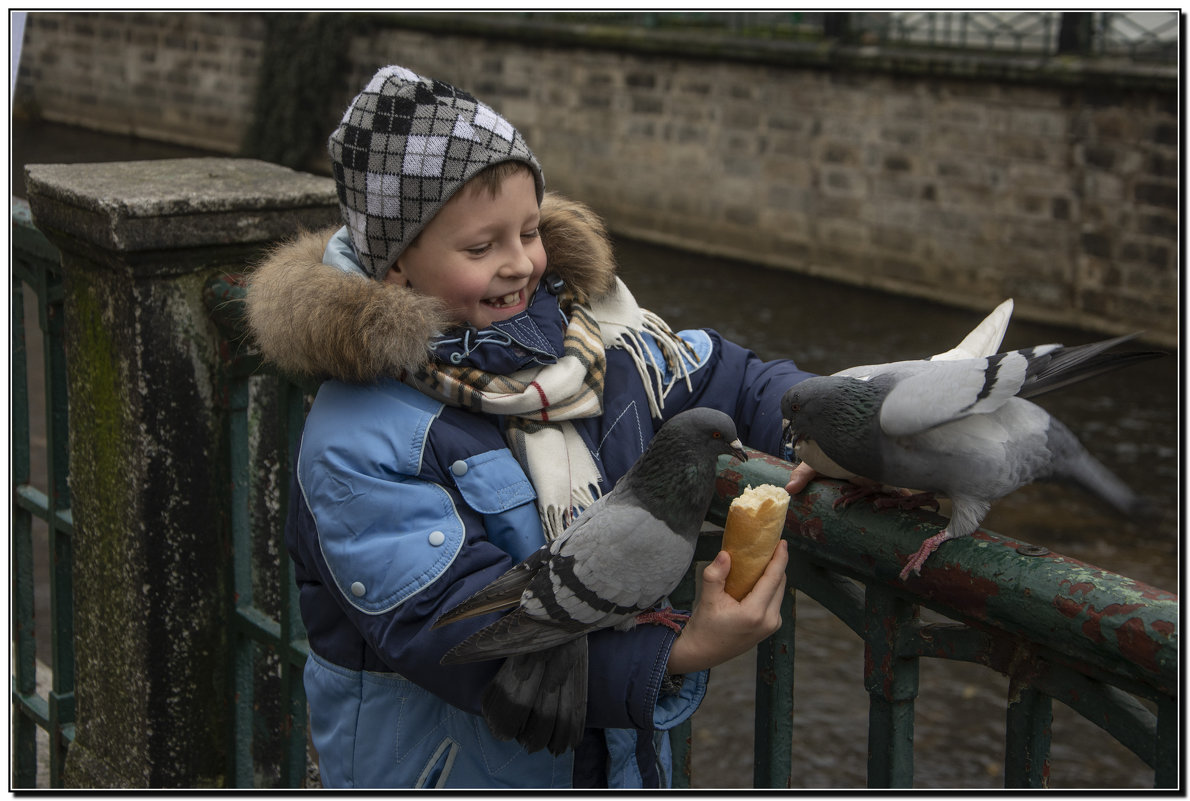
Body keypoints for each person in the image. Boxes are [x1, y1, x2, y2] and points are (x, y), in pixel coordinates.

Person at [245, 64, 818, 789]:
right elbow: (446, 623)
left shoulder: (601, 347)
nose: (521, 263)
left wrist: (831, 429)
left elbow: (727, 378)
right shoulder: (359, 436)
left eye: (529, 229)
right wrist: (673, 653)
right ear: (395, 268)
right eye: (482, 248)